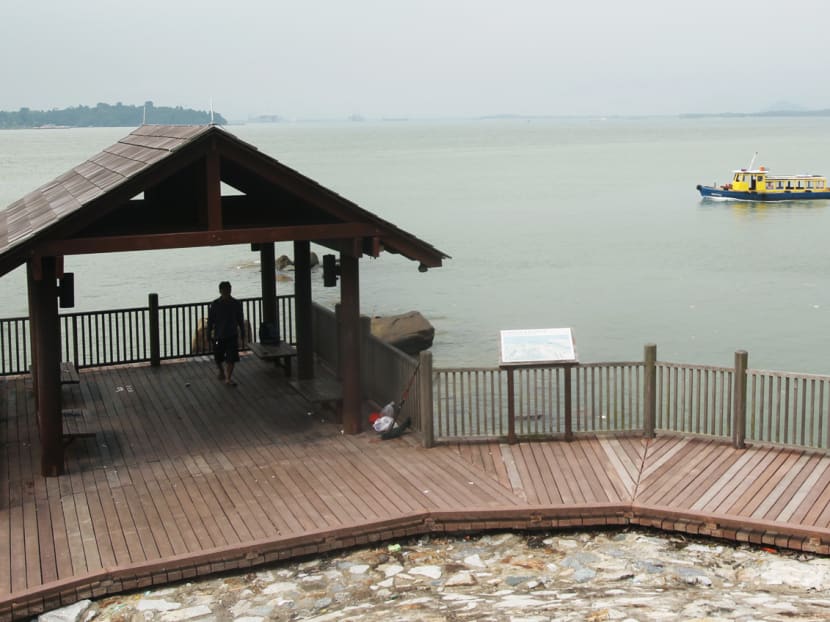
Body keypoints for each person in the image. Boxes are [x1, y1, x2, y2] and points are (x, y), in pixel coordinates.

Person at [207, 281, 245, 386]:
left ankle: (228, 378)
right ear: (220, 291)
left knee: (231, 357)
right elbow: (210, 320)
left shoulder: (236, 304)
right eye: (224, 289)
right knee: (218, 357)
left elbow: (240, 319)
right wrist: (208, 332)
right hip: (218, 336)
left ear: (230, 290)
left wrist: (242, 331)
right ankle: (222, 371)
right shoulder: (215, 304)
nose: (226, 291)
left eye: (228, 289)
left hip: (232, 335)